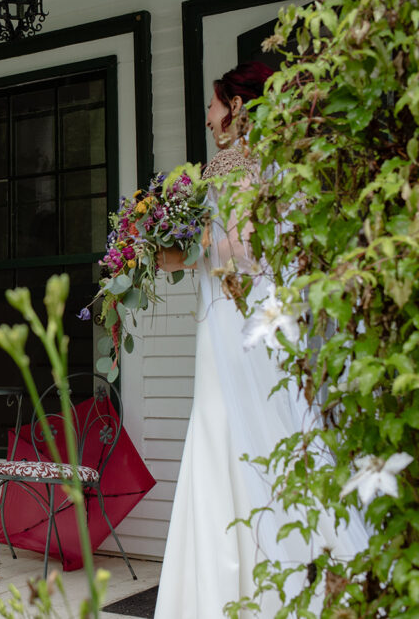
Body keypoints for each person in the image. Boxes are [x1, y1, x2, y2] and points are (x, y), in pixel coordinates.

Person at [154, 63, 367, 616]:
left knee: (226, 429)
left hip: (234, 320)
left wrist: (183, 249)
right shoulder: (272, 164)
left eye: (214, 104)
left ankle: (228, 595)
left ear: (237, 110)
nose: (207, 115)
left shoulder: (234, 164)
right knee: (251, 431)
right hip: (248, 317)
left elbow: (246, 249)